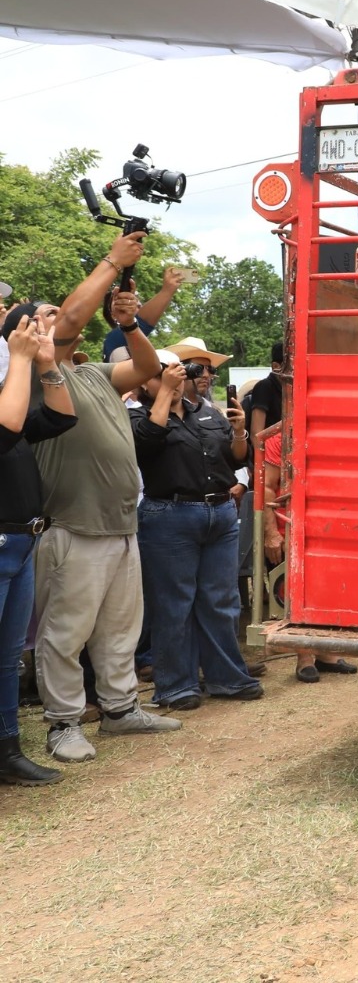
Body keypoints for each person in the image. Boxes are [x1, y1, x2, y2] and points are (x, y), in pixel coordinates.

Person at [29, 232, 181, 764]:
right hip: (72, 526)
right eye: (45, 315)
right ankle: (63, 723)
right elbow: (70, 320)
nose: (61, 318)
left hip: (120, 526)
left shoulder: (92, 373)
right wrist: (112, 262)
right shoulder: (28, 376)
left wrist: (129, 324)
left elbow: (145, 370)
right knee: (65, 634)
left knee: (120, 627)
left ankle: (120, 710)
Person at [130, 347, 263, 710]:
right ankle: (176, 685)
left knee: (221, 600)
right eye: (162, 373)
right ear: (143, 380)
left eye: (176, 372)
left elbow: (234, 459)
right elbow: (147, 443)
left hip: (219, 512)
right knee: (175, 604)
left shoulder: (205, 411)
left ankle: (226, 677)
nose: (175, 378)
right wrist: (164, 396)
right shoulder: (137, 415)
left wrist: (238, 434)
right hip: (168, 514)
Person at [1, 310, 76, 786]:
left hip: (21, 540)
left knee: (8, 658)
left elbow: (60, 417)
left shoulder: (11, 384)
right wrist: (21, 359)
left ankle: (7, 751)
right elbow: (6, 429)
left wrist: (45, 364)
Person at [259, 360, 356, 683]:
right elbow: (268, 487)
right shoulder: (278, 438)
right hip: (291, 526)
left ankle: (326, 651)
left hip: (327, 526)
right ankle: (304, 656)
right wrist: (272, 533)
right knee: (295, 590)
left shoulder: (332, 432)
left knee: (329, 587)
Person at [100, 264, 186, 361]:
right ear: (113, 314)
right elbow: (142, 322)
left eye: (136, 301)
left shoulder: (136, 339)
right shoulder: (114, 338)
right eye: (121, 300)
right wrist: (167, 291)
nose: (136, 303)